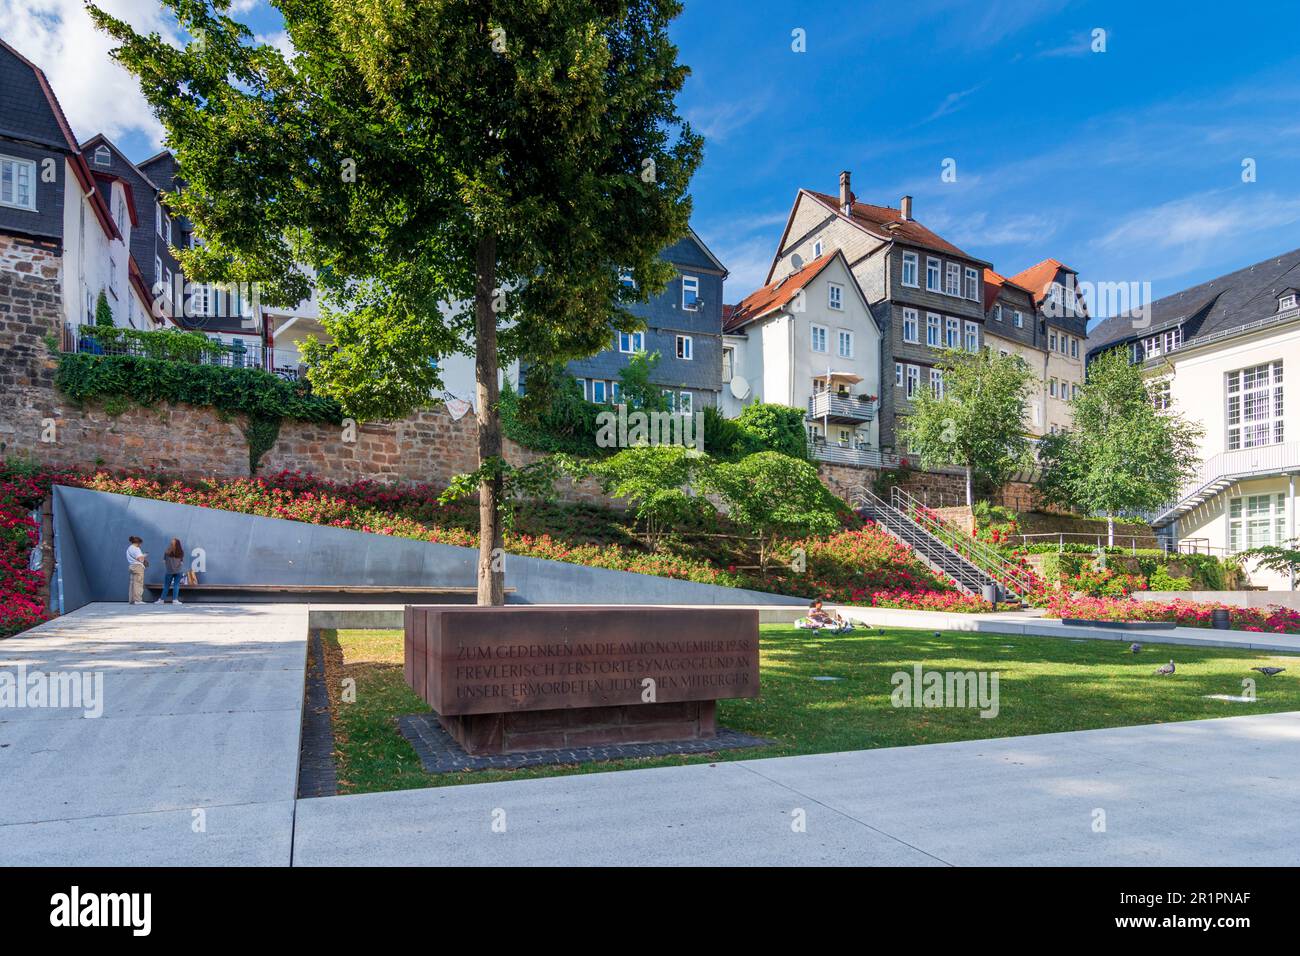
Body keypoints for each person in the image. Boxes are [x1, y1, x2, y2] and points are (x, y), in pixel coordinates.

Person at [157, 538, 185, 605]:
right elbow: (181, 562)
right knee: (176, 585)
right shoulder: (181, 552)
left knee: (166, 586)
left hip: (169, 571)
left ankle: (162, 600)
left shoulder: (167, 552)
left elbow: (164, 561)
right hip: (178, 571)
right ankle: (175, 600)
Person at [126, 536, 148, 604]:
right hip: (138, 567)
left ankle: (131, 600)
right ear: (138, 542)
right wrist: (144, 555)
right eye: (140, 543)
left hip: (131, 566)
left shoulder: (129, 548)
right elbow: (140, 559)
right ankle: (138, 600)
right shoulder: (136, 549)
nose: (140, 545)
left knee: (132, 583)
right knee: (138, 583)